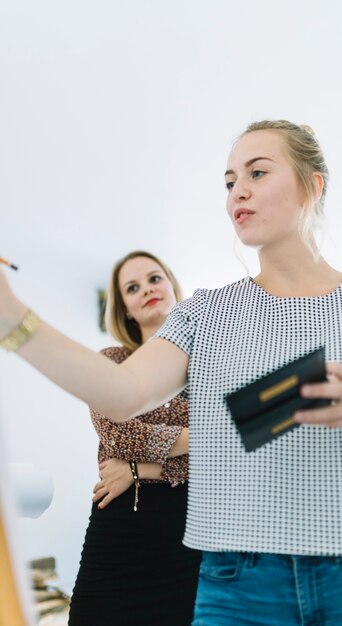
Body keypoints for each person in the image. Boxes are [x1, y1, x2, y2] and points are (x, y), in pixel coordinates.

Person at [1, 119, 342, 625]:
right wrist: (13, 319)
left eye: (257, 172)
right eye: (228, 182)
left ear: (313, 184)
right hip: (238, 586)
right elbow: (121, 392)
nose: (237, 191)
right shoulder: (205, 313)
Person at [70, 251, 201, 626]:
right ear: (125, 307)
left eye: (154, 279)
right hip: (121, 533)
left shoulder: (210, 365)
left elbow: (234, 447)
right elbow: (120, 432)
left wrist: (139, 469)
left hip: (191, 532)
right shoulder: (110, 360)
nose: (146, 290)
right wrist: (206, 434)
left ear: (172, 287)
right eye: (133, 287)